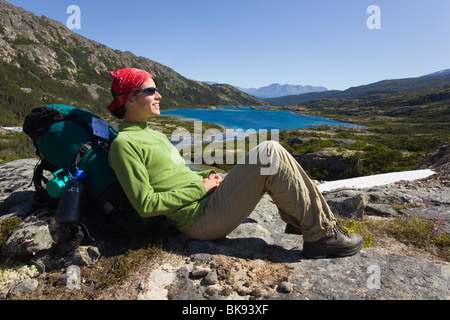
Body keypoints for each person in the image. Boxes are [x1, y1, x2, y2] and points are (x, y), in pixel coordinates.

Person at [106, 68, 364, 259]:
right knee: (269, 152)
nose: (159, 94)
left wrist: (208, 176)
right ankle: (321, 236)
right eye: (150, 90)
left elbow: (176, 172)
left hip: (207, 202)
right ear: (129, 99)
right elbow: (145, 204)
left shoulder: (151, 133)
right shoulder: (124, 145)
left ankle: (306, 222)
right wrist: (202, 188)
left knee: (267, 156)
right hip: (200, 221)